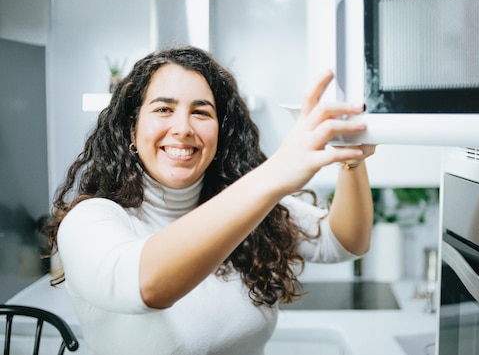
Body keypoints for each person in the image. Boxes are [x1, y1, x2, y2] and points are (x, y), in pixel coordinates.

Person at [44, 46, 376, 355]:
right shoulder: (90, 220)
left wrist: (352, 159)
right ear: (132, 130)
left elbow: (345, 242)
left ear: (221, 131)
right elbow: (147, 285)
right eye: (164, 109)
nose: (183, 128)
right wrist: (275, 173)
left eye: (201, 113)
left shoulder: (243, 202)